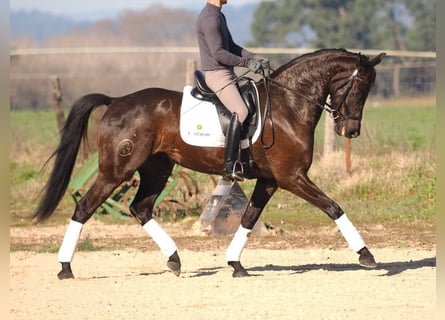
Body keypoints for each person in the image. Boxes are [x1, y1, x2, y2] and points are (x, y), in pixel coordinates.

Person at [196, 0, 268, 182]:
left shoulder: (218, 15)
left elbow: (232, 47)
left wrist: (253, 57)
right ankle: (229, 165)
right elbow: (219, 53)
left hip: (227, 72)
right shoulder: (210, 19)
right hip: (218, 75)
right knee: (241, 111)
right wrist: (246, 63)